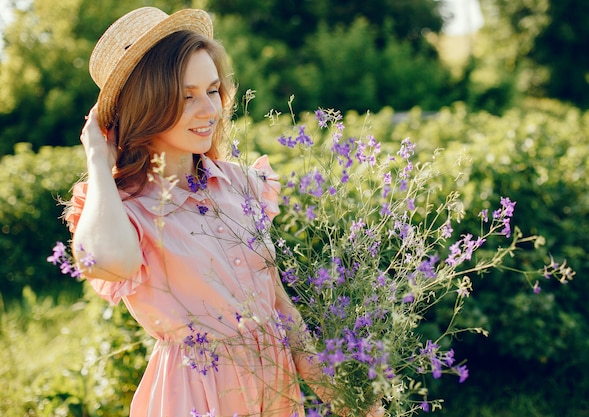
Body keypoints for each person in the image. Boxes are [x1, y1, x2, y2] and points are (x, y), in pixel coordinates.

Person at [66, 7, 386, 417]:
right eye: (186, 96)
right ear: (145, 105)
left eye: (212, 91)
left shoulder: (243, 184)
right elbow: (104, 260)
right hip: (196, 400)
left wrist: (343, 398)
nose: (209, 110)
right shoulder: (129, 210)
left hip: (275, 393)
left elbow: (280, 308)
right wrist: (97, 158)